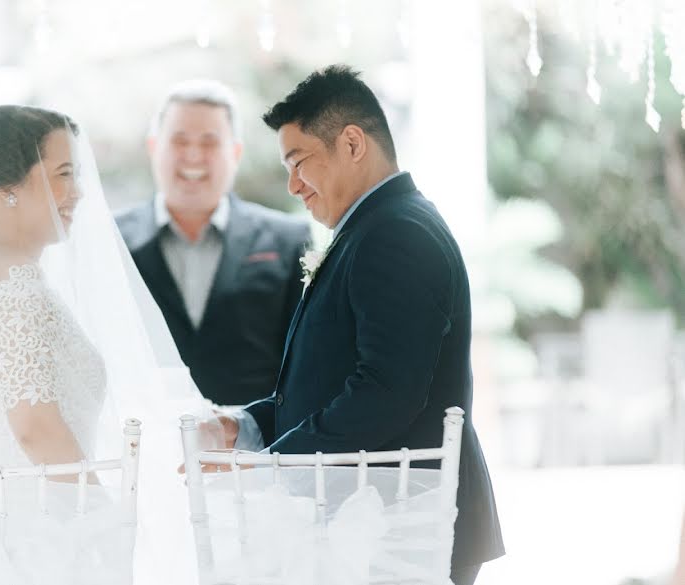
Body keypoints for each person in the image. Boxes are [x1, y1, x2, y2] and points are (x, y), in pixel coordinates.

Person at [0, 104, 220, 585]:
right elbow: (34, 426)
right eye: (63, 174)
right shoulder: (12, 287)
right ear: (9, 188)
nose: (76, 193)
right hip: (36, 539)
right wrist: (103, 515)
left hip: (14, 522)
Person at [212, 65, 505, 584]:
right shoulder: (379, 227)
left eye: (299, 162)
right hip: (375, 522)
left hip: (406, 533)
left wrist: (272, 468)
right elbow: (330, 379)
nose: (293, 185)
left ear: (351, 143)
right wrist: (250, 426)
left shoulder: (397, 235)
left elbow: (386, 392)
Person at [116, 79, 310, 407]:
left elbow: (304, 364)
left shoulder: (289, 239)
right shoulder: (113, 242)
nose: (193, 156)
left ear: (234, 152)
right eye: (179, 140)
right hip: (144, 444)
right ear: (154, 147)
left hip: (254, 451)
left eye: (209, 142)